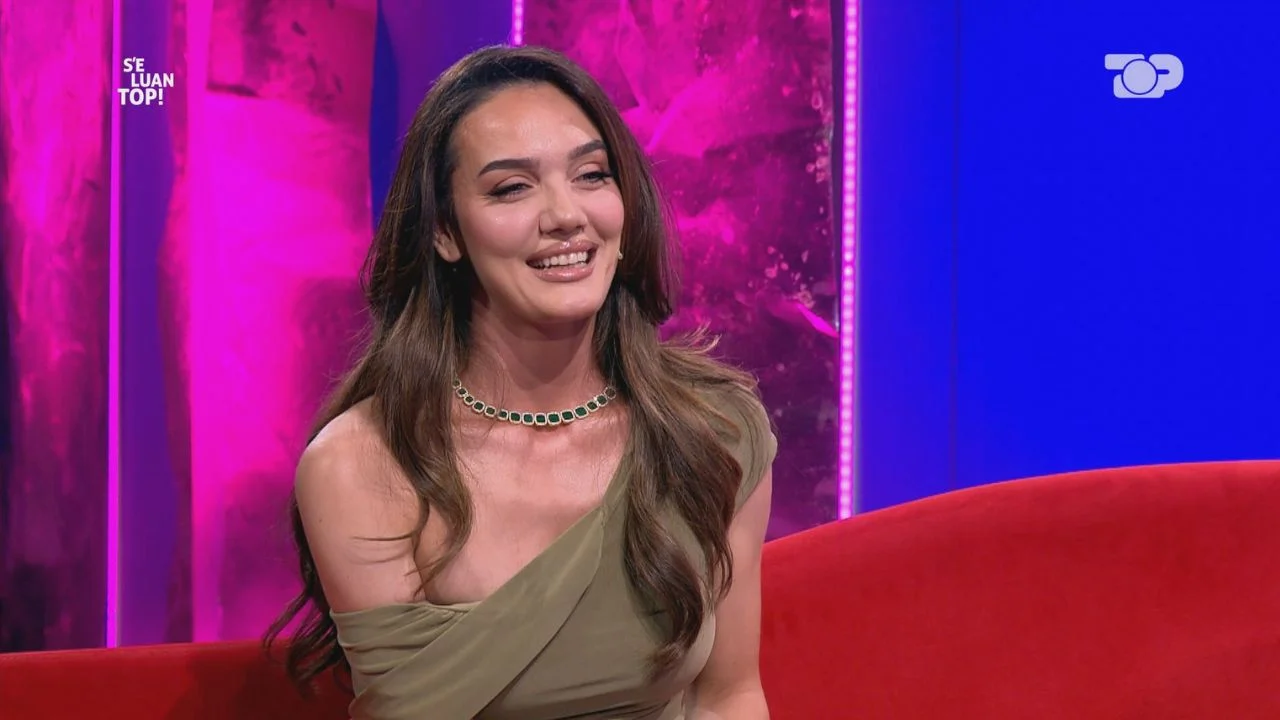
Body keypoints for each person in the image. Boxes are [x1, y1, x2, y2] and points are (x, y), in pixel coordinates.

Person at [265, 44, 777, 720]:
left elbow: (727, 696)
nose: (565, 214)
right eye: (511, 188)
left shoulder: (712, 432)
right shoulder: (366, 464)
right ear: (446, 233)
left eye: (591, 175)